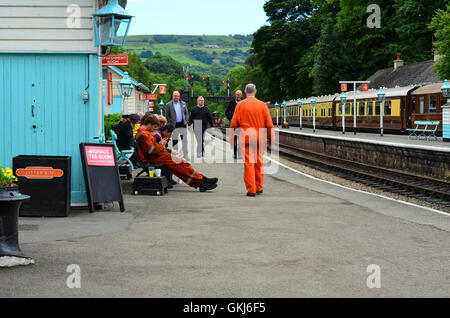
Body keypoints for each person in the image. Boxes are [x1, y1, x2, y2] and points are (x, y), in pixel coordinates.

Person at [136, 115, 218, 192]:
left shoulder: (145, 133)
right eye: (154, 127)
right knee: (181, 167)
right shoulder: (144, 135)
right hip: (157, 158)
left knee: (182, 166)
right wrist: (161, 144)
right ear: (150, 124)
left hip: (159, 156)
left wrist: (167, 150)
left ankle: (202, 180)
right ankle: (201, 181)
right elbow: (151, 150)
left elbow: (153, 149)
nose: (155, 129)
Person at [230, 84, 274, 197]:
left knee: (249, 163)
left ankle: (251, 189)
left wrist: (232, 139)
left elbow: (234, 124)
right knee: (259, 162)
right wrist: (271, 141)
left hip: (246, 138)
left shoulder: (240, 105)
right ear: (256, 91)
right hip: (260, 138)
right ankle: (259, 187)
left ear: (245, 92)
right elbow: (269, 125)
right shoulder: (262, 105)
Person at [165, 91, 189, 158]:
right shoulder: (168, 104)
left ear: (179, 96)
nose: (177, 97)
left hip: (182, 124)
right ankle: (175, 154)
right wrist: (170, 123)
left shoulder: (183, 103)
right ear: (173, 96)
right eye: (175, 96)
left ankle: (185, 154)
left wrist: (186, 120)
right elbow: (167, 115)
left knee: (184, 140)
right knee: (175, 140)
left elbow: (186, 113)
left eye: (178, 96)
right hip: (174, 125)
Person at [226, 90, 243, 159]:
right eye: (236, 94)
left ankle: (240, 153)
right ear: (235, 95)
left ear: (241, 95)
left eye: (239, 94)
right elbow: (227, 112)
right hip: (234, 124)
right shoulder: (231, 102)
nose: (238, 95)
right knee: (235, 139)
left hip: (242, 123)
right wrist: (231, 119)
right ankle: (235, 153)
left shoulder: (243, 102)